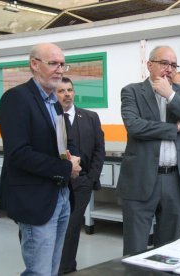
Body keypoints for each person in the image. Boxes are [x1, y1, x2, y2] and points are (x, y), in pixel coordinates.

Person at [0, 43, 81, 276]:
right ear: (34, 64)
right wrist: (65, 167)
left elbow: (61, 141)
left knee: (52, 270)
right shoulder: (16, 99)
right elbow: (18, 154)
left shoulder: (53, 102)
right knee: (39, 271)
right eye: (53, 63)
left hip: (61, 195)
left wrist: (72, 157)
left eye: (62, 64)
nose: (60, 69)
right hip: (36, 200)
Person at [117, 45, 180, 256]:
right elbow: (135, 126)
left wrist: (171, 96)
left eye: (173, 65)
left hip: (175, 180)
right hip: (141, 178)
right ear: (149, 65)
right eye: (164, 63)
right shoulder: (132, 91)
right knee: (136, 249)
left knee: (169, 249)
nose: (169, 69)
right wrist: (174, 128)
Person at [56, 77, 105, 274]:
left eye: (70, 90)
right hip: (58, 182)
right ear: (54, 94)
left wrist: (91, 178)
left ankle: (66, 267)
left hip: (82, 181)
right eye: (61, 91)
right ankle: (56, 266)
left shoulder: (90, 117)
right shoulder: (52, 118)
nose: (67, 94)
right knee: (59, 226)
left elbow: (99, 149)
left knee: (72, 225)